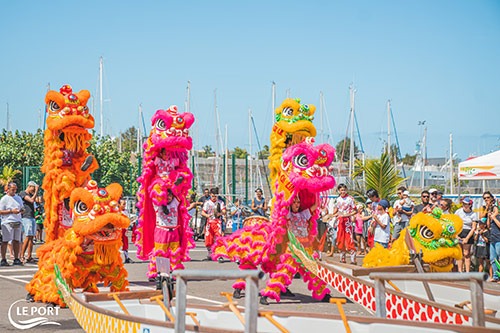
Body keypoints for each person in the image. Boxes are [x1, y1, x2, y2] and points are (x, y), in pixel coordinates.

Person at [0, 182, 24, 266]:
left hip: (17, 221)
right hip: (7, 222)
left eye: (15, 189)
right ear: (8, 189)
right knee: (5, 241)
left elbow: (21, 207)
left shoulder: (18, 198)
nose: (14, 191)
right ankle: (3, 259)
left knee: (16, 241)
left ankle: (16, 258)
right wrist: (11, 211)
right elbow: (1, 211)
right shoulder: (4, 199)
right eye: (13, 189)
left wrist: (21, 210)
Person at [332, 184, 357, 264]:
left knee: (349, 238)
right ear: (339, 191)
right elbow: (335, 211)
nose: (343, 192)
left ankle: (353, 258)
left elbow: (355, 211)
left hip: (347, 222)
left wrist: (347, 215)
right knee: (340, 238)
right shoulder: (337, 199)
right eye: (341, 190)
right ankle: (342, 256)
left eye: (344, 190)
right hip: (340, 221)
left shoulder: (350, 199)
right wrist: (333, 215)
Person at [201, 188, 226, 261]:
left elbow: (224, 211)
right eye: (213, 196)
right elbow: (203, 212)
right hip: (209, 222)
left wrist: (220, 213)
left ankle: (219, 254)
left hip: (217, 222)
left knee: (219, 238)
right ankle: (210, 254)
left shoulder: (220, 202)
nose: (214, 197)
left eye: (215, 196)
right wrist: (207, 215)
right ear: (210, 195)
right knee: (209, 239)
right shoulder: (207, 203)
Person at [455, 197, 477, 273]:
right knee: (460, 253)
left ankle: (467, 271)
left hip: (468, 232)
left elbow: (473, 227)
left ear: (470, 205)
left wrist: (467, 238)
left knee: (466, 253)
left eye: (466, 204)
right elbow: (455, 223)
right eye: (463, 204)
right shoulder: (458, 212)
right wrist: (456, 235)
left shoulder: (473, 214)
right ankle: (460, 271)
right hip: (459, 231)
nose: (464, 205)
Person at [19, 181, 39, 263]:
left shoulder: (31, 195)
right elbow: (31, 200)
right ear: (29, 186)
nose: (33, 191)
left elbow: (38, 200)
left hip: (32, 217)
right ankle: (22, 255)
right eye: (33, 189)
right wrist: (36, 191)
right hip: (26, 217)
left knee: (31, 237)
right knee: (28, 236)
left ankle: (29, 256)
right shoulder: (23, 193)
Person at [483, 191, 500, 282]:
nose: (486, 200)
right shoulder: (490, 211)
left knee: (499, 258)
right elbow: (488, 226)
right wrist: (489, 217)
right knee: (493, 259)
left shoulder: (498, 214)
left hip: (499, 238)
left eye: (488, 198)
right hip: (493, 237)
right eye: (485, 198)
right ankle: (495, 276)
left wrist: (493, 217)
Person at [120, 198, 133, 263]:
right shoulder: (117, 212)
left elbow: (128, 219)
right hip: (119, 230)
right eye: (123, 204)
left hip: (125, 229)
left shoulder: (126, 211)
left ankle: (127, 257)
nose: (124, 205)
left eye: (125, 204)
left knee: (125, 243)